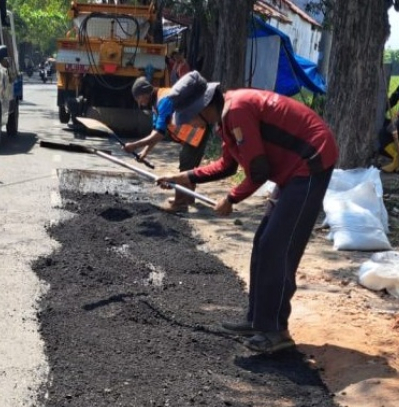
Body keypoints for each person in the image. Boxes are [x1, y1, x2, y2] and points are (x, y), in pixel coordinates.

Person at [156, 71, 338, 354]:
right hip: (292, 170)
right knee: (262, 241)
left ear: (203, 107)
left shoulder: (237, 111)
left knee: (277, 246)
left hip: (311, 162)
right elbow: (227, 166)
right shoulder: (226, 119)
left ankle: (276, 331)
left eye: (190, 115)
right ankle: (257, 319)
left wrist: (231, 199)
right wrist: (185, 176)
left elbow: (259, 171)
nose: (190, 122)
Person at [123, 75, 212, 213]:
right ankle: (188, 198)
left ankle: (180, 203)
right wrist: (144, 152)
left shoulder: (163, 100)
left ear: (144, 94)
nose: (139, 103)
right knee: (188, 163)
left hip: (198, 130)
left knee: (186, 163)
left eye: (138, 99)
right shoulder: (155, 103)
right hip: (192, 133)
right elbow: (155, 131)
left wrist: (134, 145)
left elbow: (159, 134)